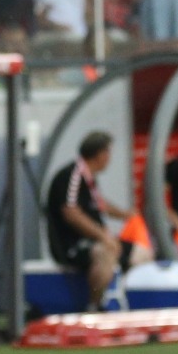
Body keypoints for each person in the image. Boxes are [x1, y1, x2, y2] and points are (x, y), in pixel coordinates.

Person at [45, 130, 133, 309]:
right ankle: (94, 306)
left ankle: (132, 303)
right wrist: (103, 236)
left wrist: (126, 215)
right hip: (73, 245)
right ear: (100, 154)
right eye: (108, 152)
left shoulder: (89, 180)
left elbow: (100, 204)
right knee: (104, 253)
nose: (109, 158)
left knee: (142, 254)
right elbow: (71, 212)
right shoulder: (72, 176)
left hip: (95, 241)